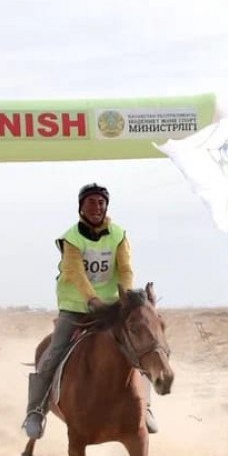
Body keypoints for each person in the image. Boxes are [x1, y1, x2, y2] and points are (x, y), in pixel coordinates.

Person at [22, 182, 153, 439]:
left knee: (142, 345)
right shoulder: (71, 238)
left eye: (101, 202)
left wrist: (124, 297)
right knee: (55, 350)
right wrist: (92, 300)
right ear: (81, 207)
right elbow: (75, 272)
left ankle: (145, 407)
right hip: (75, 305)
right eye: (91, 202)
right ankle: (35, 410)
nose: (97, 207)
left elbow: (125, 269)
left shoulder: (119, 235)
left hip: (113, 304)